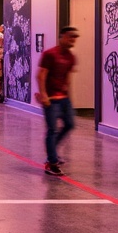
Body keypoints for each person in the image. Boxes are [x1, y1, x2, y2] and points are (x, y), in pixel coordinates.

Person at [35, 26, 80, 176]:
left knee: (70, 125)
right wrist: (44, 95)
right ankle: (52, 163)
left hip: (64, 99)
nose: (72, 40)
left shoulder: (71, 57)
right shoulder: (50, 54)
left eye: (74, 37)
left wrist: (67, 93)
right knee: (52, 130)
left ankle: (51, 152)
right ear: (62, 37)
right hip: (51, 100)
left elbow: (67, 76)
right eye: (70, 37)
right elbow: (41, 75)